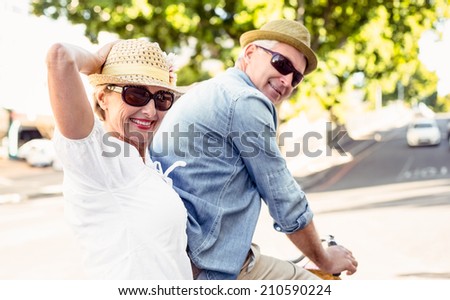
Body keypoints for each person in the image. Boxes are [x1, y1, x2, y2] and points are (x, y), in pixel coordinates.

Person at [151, 19, 358, 280]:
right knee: (315, 286)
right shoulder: (246, 100)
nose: (286, 81)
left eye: (296, 77)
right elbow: (284, 200)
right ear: (249, 53)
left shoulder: (205, 90)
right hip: (208, 266)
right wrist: (325, 259)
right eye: (282, 64)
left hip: (181, 255)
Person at [46, 39, 192, 279]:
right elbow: (60, 56)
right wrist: (98, 60)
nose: (151, 111)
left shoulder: (142, 161)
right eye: (135, 94)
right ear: (103, 97)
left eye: (162, 98)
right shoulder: (98, 155)